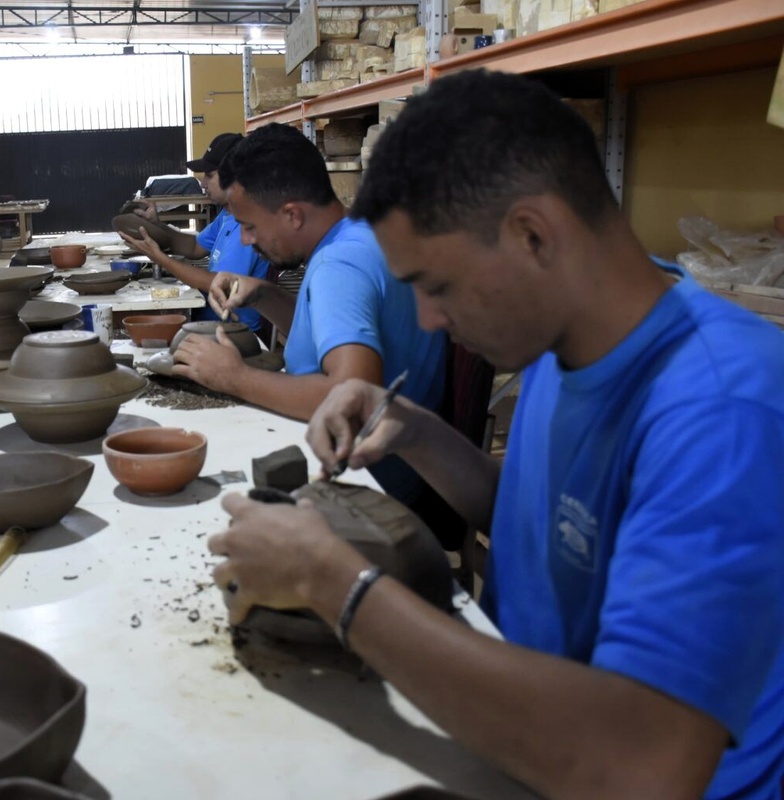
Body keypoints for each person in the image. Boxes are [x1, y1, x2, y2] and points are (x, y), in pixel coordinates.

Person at [208, 70, 784, 799]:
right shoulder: (567, 337)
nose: (428, 321)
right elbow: (551, 523)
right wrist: (415, 431)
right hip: (524, 733)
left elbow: (639, 766)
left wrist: (335, 585)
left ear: (533, 235)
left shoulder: (724, 409)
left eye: (438, 286)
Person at [179, 122, 445, 503]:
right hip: (389, 464)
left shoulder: (339, 266)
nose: (246, 240)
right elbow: (324, 335)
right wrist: (265, 295)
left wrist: (234, 377)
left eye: (249, 226)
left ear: (292, 215)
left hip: (369, 484)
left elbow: (351, 397)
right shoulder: (358, 232)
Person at [118, 133, 272, 333]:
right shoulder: (227, 214)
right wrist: (156, 225)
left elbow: (216, 283)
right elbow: (194, 247)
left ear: (235, 177)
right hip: (208, 318)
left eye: (209, 175)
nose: (202, 183)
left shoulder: (247, 225)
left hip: (233, 331)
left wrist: (159, 257)